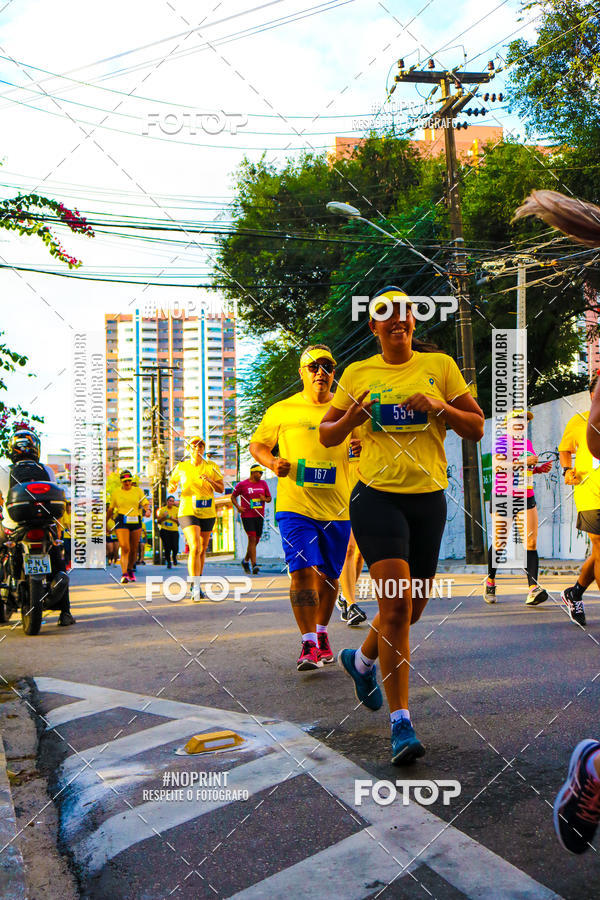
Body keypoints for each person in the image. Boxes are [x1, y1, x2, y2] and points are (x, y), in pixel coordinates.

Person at [320, 287, 484, 764]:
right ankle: (401, 724)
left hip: (427, 499)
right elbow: (329, 435)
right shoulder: (357, 373)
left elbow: (474, 425)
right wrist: (351, 416)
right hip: (376, 498)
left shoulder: (441, 368)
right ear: (373, 327)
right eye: (385, 314)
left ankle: (362, 659)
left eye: (404, 312)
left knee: (410, 612)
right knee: (395, 606)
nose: (397, 319)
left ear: (414, 322)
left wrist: (439, 408)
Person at [250, 344, 353, 671]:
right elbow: (258, 444)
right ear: (302, 372)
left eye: (327, 365)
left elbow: (365, 447)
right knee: (301, 571)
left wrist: (360, 447)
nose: (320, 372)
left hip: (338, 508)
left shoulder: (346, 409)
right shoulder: (282, 409)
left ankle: (321, 632)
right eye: (313, 366)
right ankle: (308, 641)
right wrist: (271, 461)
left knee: (329, 577)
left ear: (334, 372)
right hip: (295, 505)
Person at [0, 429, 75, 626]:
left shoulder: (3, 471)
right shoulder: (47, 470)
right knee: (57, 561)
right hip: (44, 524)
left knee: (1, 554)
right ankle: (65, 612)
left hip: (12, 526)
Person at [484, 410, 552, 606]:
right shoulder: (503, 442)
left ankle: (533, 589)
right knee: (500, 542)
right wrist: (525, 461)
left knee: (530, 542)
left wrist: (538, 469)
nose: (523, 424)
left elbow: (524, 469)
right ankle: (490, 582)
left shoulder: (527, 444)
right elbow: (499, 466)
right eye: (519, 420)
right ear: (508, 424)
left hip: (526, 496)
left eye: (526, 421)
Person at [558, 373, 600, 627]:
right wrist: (566, 470)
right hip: (590, 495)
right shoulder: (579, 421)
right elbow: (564, 449)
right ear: (591, 398)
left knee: (598, 553)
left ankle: (575, 593)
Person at [167, 437, 224, 601]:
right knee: (195, 546)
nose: (197, 448)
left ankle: (195, 583)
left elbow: (221, 488)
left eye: (201, 445)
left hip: (207, 511)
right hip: (188, 510)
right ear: (188, 449)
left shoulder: (212, 466)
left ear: (204, 449)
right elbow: (172, 483)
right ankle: (196, 586)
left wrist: (211, 480)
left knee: (202, 548)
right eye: (194, 445)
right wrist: (172, 486)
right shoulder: (181, 466)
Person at [336, 445, 369, 626]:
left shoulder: (368, 427)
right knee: (348, 549)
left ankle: (344, 596)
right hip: (341, 496)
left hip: (367, 493)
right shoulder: (337, 425)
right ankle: (351, 605)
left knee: (359, 554)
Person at [106, 470, 150, 584]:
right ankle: (124, 573)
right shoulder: (116, 493)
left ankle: (130, 569)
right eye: (125, 481)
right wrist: (105, 522)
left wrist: (147, 510)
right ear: (121, 481)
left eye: (129, 480)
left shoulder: (137, 491)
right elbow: (111, 509)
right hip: (122, 520)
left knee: (134, 548)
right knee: (125, 547)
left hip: (135, 520)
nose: (127, 483)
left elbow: (145, 502)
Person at [232, 464, 272, 575]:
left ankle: (245, 561)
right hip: (247, 515)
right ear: (253, 472)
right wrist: (238, 507)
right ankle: (254, 565)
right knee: (252, 538)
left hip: (259, 515)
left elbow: (269, 498)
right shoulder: (242, 484)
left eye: (262, 473)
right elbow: (233, 496)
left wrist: (265, 499)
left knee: (256, 540)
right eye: (259, 472)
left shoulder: (263, 484)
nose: (261, 475)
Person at [156, 495, 180, 569]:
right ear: (167, 502)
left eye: (172, 501)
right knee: (167, 547)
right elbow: (158, 521)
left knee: (175, 546)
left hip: (174, 530)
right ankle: (169, 562)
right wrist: (164, 517)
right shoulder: (162, 510)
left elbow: (179, 522)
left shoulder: (176, 510)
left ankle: (174, 557)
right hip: (165, 530)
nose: (171, 502)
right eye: (170, 501)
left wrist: (172, 518)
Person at [59, 500, 72, 571]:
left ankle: (69, 564)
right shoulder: (64, 513)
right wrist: (70, 531)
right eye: (68, 507)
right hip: (65, 535)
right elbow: (67, 524)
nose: (69, 509)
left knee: (70, 550)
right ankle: (66, 564)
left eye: (70, 507)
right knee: (66, 550)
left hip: (71, 535)